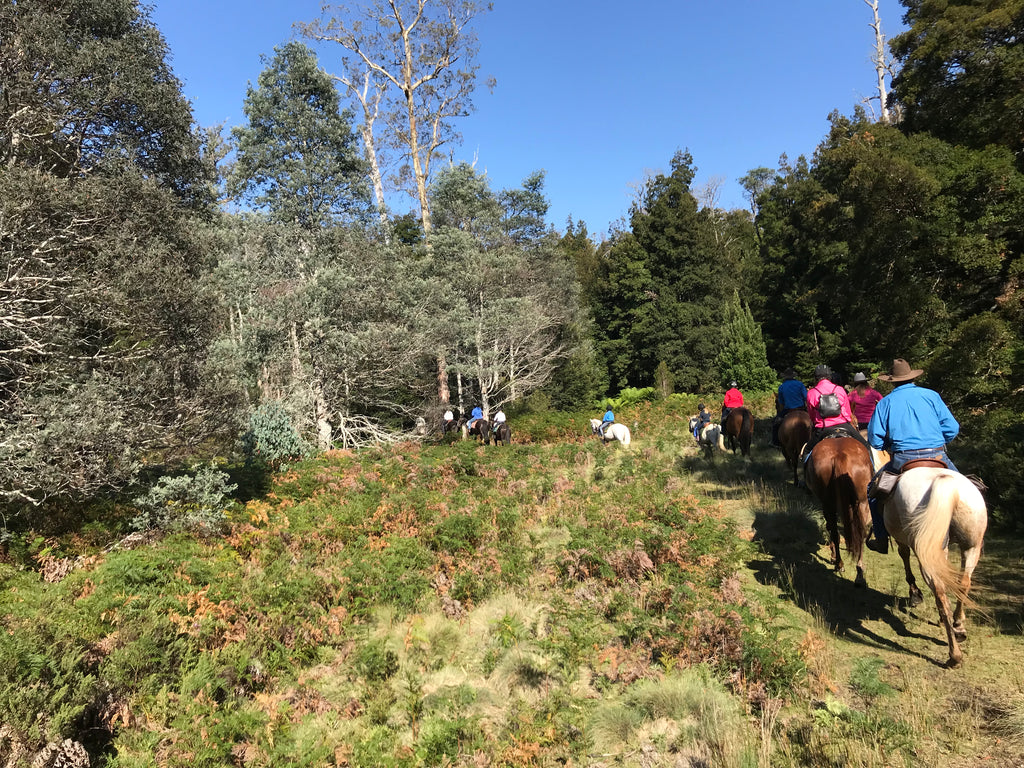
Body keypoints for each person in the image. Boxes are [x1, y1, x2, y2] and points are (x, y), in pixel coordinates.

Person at [865, 358, 960, 554]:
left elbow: (874, 438)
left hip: (902, 459)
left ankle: (881, 539)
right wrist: (938, 442)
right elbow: (952, 427)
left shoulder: (885, 403)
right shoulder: (931, 396)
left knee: (872, 492)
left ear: (892, 381)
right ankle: (974, 533)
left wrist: (888, 446)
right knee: (971, 486)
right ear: (911, 377)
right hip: (938, 456)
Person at [804, 364, 869, 458]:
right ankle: (873, 469)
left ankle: (805, 471)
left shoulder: (812, 392)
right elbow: (847, 412)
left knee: (807, 451)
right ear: (830, 376)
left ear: (816, 378)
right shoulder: (839, 389)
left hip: (823, 428)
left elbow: (812, 415)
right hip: (844, 425)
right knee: (866, 447)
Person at [771, 368, 808, 447]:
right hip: (802, 409)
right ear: (793, 376)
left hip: (788, 410)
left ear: (785, 377)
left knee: (776, 424)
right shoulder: (800, 384)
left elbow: (781, 402)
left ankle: (775, 442)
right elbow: (806, 397)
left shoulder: (782, 387)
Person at [849, 372, 882, 437]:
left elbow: (847, 407)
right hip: (873, 422)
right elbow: (882, 404)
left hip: (858, 424)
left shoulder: (852, 395)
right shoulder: (874, 393)